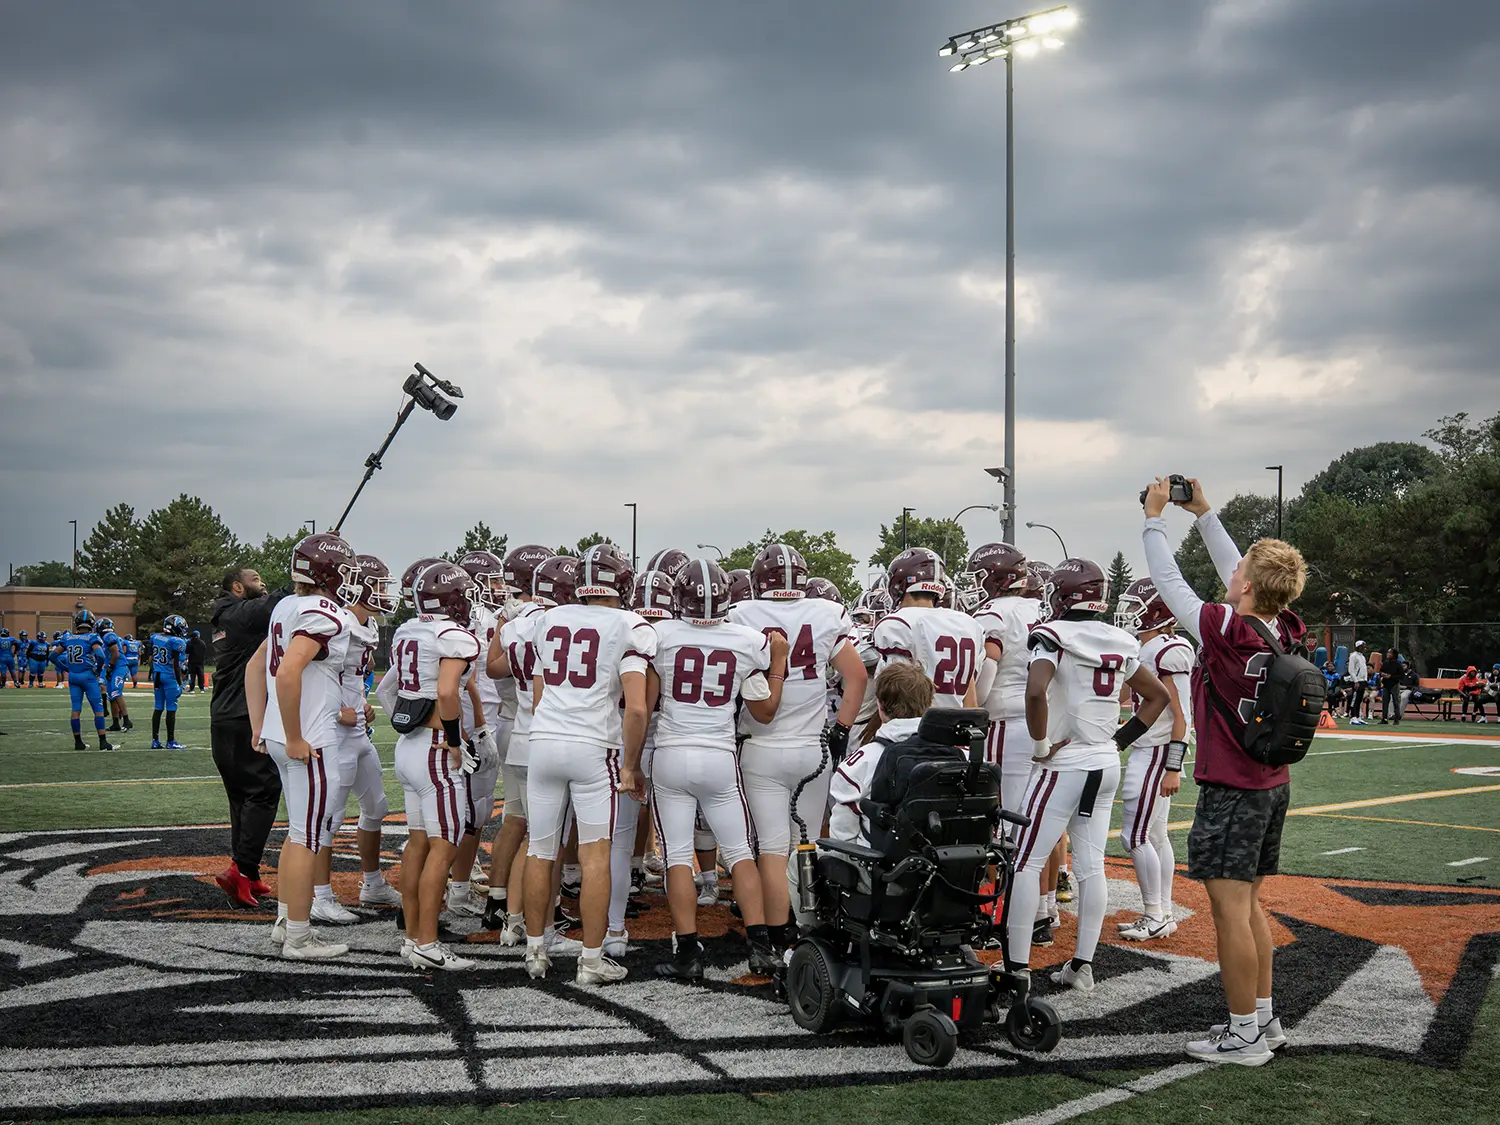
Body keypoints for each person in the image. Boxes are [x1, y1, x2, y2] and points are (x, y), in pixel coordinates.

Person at [1142, 475, 1309, 1066]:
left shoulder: (1228, 628)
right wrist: (1205, 513)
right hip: (1271, 783)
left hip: (1234, 786)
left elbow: (1169, 581)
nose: (1230, 574)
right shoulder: (1286, 625)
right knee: (1250, 905)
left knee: (1230, 912)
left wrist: (1156, 519)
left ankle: (1243, 1036)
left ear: (1247, 586)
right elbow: (1246, 570)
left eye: (1239, 573)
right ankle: (1263, 1019)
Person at [1005, 559, 1169, 994]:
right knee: (1090, 865)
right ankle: (1082, 966)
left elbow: (1036, 690)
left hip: (1064, 763)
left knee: (1025, 861)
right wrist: (1119, 740)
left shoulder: (1054, 634)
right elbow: (1158, 696)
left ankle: (1017, 970)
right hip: (1104, 762)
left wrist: (1040, 745)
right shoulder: (1119, 638)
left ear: (1061, 594)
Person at [648, 558, 787, 981]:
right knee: (741, 852)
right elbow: (764, 711)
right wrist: (777, 665)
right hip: (719, 754)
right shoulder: (746, 640)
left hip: (671, 752)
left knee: (676, 854)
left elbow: (650, 700)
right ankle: (761, 947)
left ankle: (688, 953)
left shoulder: (661, 635)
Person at [523, 543, 655, 986]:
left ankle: (535, 949)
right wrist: (632, 766)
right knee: (595, 854)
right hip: (593, 745)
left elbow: (542, 691)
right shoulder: (629, 625)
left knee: (541, 850)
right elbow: (636, 709)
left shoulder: (549, 618)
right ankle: (592, 959)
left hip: (543, 739)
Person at [729, 542, 866, 946]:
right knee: (803, 843)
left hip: (762, 745)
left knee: (771, 847)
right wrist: (841, 728)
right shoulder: (825, 613)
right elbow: (856, 677)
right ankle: (807, 930)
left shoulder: (742, 615)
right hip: (812, 748)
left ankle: (776, 932)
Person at [246, 532, 360, 962]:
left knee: (299, 834)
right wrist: (294, 735)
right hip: (308, 739)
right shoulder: (324, 611)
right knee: (305, 837)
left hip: (285, 735)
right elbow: (287, 672)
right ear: (329, 572)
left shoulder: (286, 606)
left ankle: (284, 922)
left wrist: (263, 725)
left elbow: (257, 666)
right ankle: (298, 936)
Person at [378, 561, 482, 971]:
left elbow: (389, 689)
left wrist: (408, 721)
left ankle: (411, 939)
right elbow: (445, 691)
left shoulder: (408, 630)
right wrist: (455, 739)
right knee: (445, 846)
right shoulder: (452, 636)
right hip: (436, 752)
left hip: (408, 747)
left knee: (418, 844)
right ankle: (427, 942)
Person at [314, 554, 404, 919]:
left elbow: (351, 679)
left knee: (377, 807)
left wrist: (362, 705)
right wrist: (336, 712)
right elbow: (309, 674)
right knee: (328, 817)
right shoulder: (337, 623)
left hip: (356, 729)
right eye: (379, 585)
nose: (384, 593)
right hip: (332, 730)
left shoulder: (365, 625)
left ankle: (372, 883)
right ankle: (320, 896)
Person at [481, 546, 558, 942]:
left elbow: (494, 669)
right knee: (544, 838)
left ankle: (500, 903)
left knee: (517, 820)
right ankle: (532, 917)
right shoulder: (557, 623)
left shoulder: (513, 625)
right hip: (543, 730)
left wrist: (499, 627)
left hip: (515, 723)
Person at [1114, 577, 1193, 941]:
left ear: (1157, 611)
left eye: (1135, 606)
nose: (1128, 613)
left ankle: (1153, 914)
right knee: (1156, 835)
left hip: (1158, 751)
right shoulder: (1152, 647)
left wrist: (1174, 765)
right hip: (1153, 748)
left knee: (1134, 835)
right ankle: (1163, 912)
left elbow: (1181, 715)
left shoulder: (1166, 650)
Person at [209, 568, 286, 906]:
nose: (263, 583)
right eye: (256, 579)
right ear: (237, 587)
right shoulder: (239, 613)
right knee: (264, 791)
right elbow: (277, 604)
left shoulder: (227, 618)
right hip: (243, 714)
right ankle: (241, 870)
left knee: (241, 798)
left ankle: (248, 872)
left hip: (223, 716)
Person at [828, 661, 933, 846]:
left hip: (883, 869)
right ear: (928, 703)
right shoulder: (961, 754)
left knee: (799, 862)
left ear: (880, 705)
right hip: (949, 867)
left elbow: (842, 842)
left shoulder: (862, 762)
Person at [872, 548, 985, 712]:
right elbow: (970, 700)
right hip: (956, 728)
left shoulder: (899, 622)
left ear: (898, 584)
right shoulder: (969, 624)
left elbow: (897, 697)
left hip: (917, 727)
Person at [51, 609, 118, 752]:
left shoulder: (67, 638)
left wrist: (66, 668)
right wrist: (98, 670)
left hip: (73, 677)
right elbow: (100, 655)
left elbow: (52, 656)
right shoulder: (92, 637)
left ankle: (78, 742)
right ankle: (103, 742)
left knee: (76, 709)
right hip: (87, 676)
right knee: (98, 709)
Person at [149, 616, 190, 748]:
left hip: (157, 675)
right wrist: (179, 682)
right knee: (171, 708)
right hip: (169, 676)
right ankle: (170, 741)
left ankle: (155, 741)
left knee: (158, 708)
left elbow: (150, 660)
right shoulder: (176, 641)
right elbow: (175, 664)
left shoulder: (155, 637)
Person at [96, 617, 133, 733]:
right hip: (113, 666)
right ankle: (115, 723)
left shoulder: (108, 636)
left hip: (119, 666)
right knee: (111, 696)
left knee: (116, 692)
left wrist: (110, 667)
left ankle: (127, 720)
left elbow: (116, 653)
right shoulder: (105, 637)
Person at [1379, 648, 1407, 725]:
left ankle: (1396, 719)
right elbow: (1380, 671)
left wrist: (1391, 676)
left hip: (1394, 684)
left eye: (1390, 653)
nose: (1388, 654)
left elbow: (1401, 676)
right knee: (1385, 702)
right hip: (1386, 684)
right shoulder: (1385, 663)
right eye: (1388, 652)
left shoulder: (1398, 664)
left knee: (1396, 702)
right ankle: (1384, 718)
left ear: (1394, 654)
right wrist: (1382, 674)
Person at [1346, 641, 1369, 725]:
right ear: (1358, 647)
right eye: (1363, 646)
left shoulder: (1362, 656)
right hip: (1357, 681)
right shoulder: (1353, 656)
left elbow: (1364, 669)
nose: (1364, 648)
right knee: (1354, 699)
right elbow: (1351, 670)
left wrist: (1365, 679)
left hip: (1362, 680)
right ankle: (1353, 717)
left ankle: (1358, 717)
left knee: (1359, 699)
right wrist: (1355, 681)